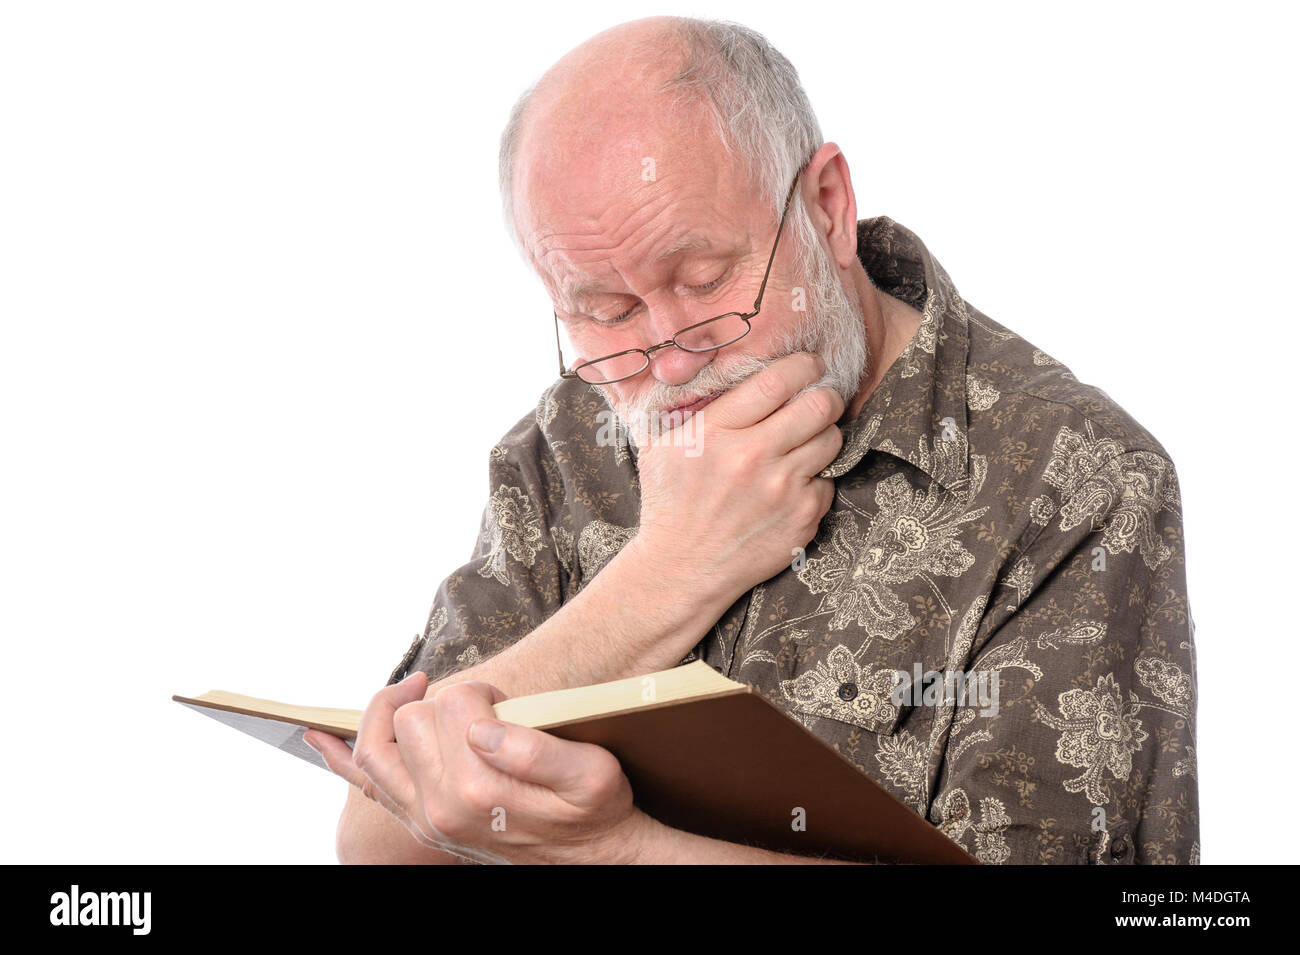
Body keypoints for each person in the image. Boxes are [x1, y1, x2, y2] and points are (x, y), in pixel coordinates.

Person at [304, 15, 1198, 864]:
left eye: (703, 277)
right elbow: (376, 836)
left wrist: (614, 849)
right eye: (604, 310)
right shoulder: (569, 442)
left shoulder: (1076, 475)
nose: (670, 356)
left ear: (827, 207)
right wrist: (666, 575)